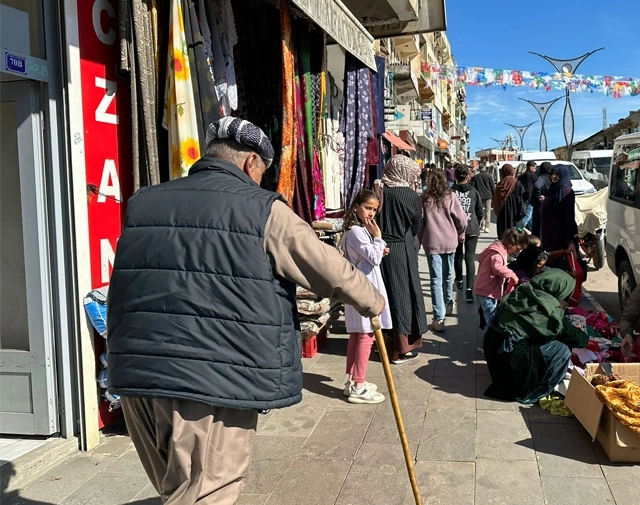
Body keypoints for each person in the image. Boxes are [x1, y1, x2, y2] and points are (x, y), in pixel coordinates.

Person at [107, 117, 385, 504]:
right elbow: (328, 269)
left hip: (139, 374)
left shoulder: (145, 201)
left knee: (177, 486)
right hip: (212, 376)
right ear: (251, 163)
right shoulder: (260, 209)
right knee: (208, 490)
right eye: (262, 173)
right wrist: (373, 300)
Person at [482, 270, 590, 404]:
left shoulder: (520, 293)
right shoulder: (548, 309)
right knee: (562, 348)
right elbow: (579, 340)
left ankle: (511, 381)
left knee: (544, 339)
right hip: (513, 368)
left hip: (495, 352)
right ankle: (537, 390)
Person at [374, 155, 428, 365]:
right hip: (400, 250)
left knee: (384, 295)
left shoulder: (378, 190)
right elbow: (416, 225)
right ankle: (402, 348)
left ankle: (384, 343)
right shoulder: (409, 195)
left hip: (379, 249)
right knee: (402, 296)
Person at [341, 190, 392, 405]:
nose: (371, 213)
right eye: (367, 208)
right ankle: (359, 384)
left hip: (358, 285)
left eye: (374, 209)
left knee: (358, 333)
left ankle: (353, 380)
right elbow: (372, 257)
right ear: (356, 207)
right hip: (364, 287)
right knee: (366, 334)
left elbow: (370, 255)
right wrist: (379, 239)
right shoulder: (357, 231)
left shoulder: (356, 230)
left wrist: (378, 247)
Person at [419, 171, 468, 333]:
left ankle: (439, 318)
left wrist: (419, 240)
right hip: (450, 240)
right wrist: (460, 233)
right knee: (448, 275)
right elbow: (461, 219)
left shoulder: (425, 198)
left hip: (432, 242)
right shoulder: (450, 196)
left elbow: (420, 221)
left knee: (435, 279)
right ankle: (448, 303)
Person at [474, 228, 529, 326]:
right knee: (491, 320)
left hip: (488, 290)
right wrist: (512, 275)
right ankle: (491, 338)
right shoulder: (497, 253)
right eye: (517, 249)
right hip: (486, 291)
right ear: (512, 243)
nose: (515, 252)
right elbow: (497, 268)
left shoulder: (498, 248)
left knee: (492, 315)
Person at [452, 164, 484, 303]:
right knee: (470, 259)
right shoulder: (474, 192)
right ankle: (470, 289)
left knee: (458, 256)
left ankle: (459, 280)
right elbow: (480, 212)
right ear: (468, 176)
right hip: (472, 228)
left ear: (455, 176)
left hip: (455, 229)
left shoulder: (451, 192)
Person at [540, 164, 579, 253]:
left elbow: (568, 214)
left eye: (557, 174)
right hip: (549, 232)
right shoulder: (554, 188)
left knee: (557, 258)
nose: (553, 176)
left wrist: (570, 238)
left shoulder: (565, 190)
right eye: (552, 173)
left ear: (562, 175)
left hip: (558, 233)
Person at [492, 164, 526, 239]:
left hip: (502, 214)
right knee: (515, 235)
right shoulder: (517, 183)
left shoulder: (499, 185)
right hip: (515, 213)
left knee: (503, 235)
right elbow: (522, 195)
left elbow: (495, 200)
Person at [531, 162, 553, 239]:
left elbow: (537, 186)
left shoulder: (541, 178)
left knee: (537, 229)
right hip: (549, 207)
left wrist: (539, 197)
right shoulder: (551, 178)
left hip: (540, 207)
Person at [472, 164, 496, 233]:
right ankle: (487, 227)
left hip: (479, 196)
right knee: (487, 211)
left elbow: (473, 187)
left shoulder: (475, 177)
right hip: (488, 196)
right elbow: (492, 187)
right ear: (485, 168)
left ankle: (481, 225)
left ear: (479, 169)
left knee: (480, 210)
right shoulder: (489, 176)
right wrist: (494, 195)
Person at [517, 161, 538, 229]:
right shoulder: (533, 176)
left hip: (522, 198)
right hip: (530, 198)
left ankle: (531, 229)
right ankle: (519, 229)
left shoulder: (521, 176)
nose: (535, 169)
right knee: (527, 216)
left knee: (528, 216)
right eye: (534, 168)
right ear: (530, 167)